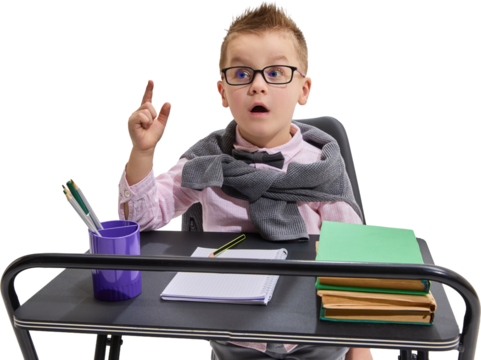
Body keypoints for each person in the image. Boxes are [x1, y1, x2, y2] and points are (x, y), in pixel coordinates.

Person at [117, 1, 375, 359]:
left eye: (276, 72)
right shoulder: (206, 160)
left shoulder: (322, 166)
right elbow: (138, 222)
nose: (258, 86)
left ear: (304, 89)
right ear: (222, 92)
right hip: (234, 335)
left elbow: (355, 261)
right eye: (241, 74)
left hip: (317, 333)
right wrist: (143, 154)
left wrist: (360, 348)